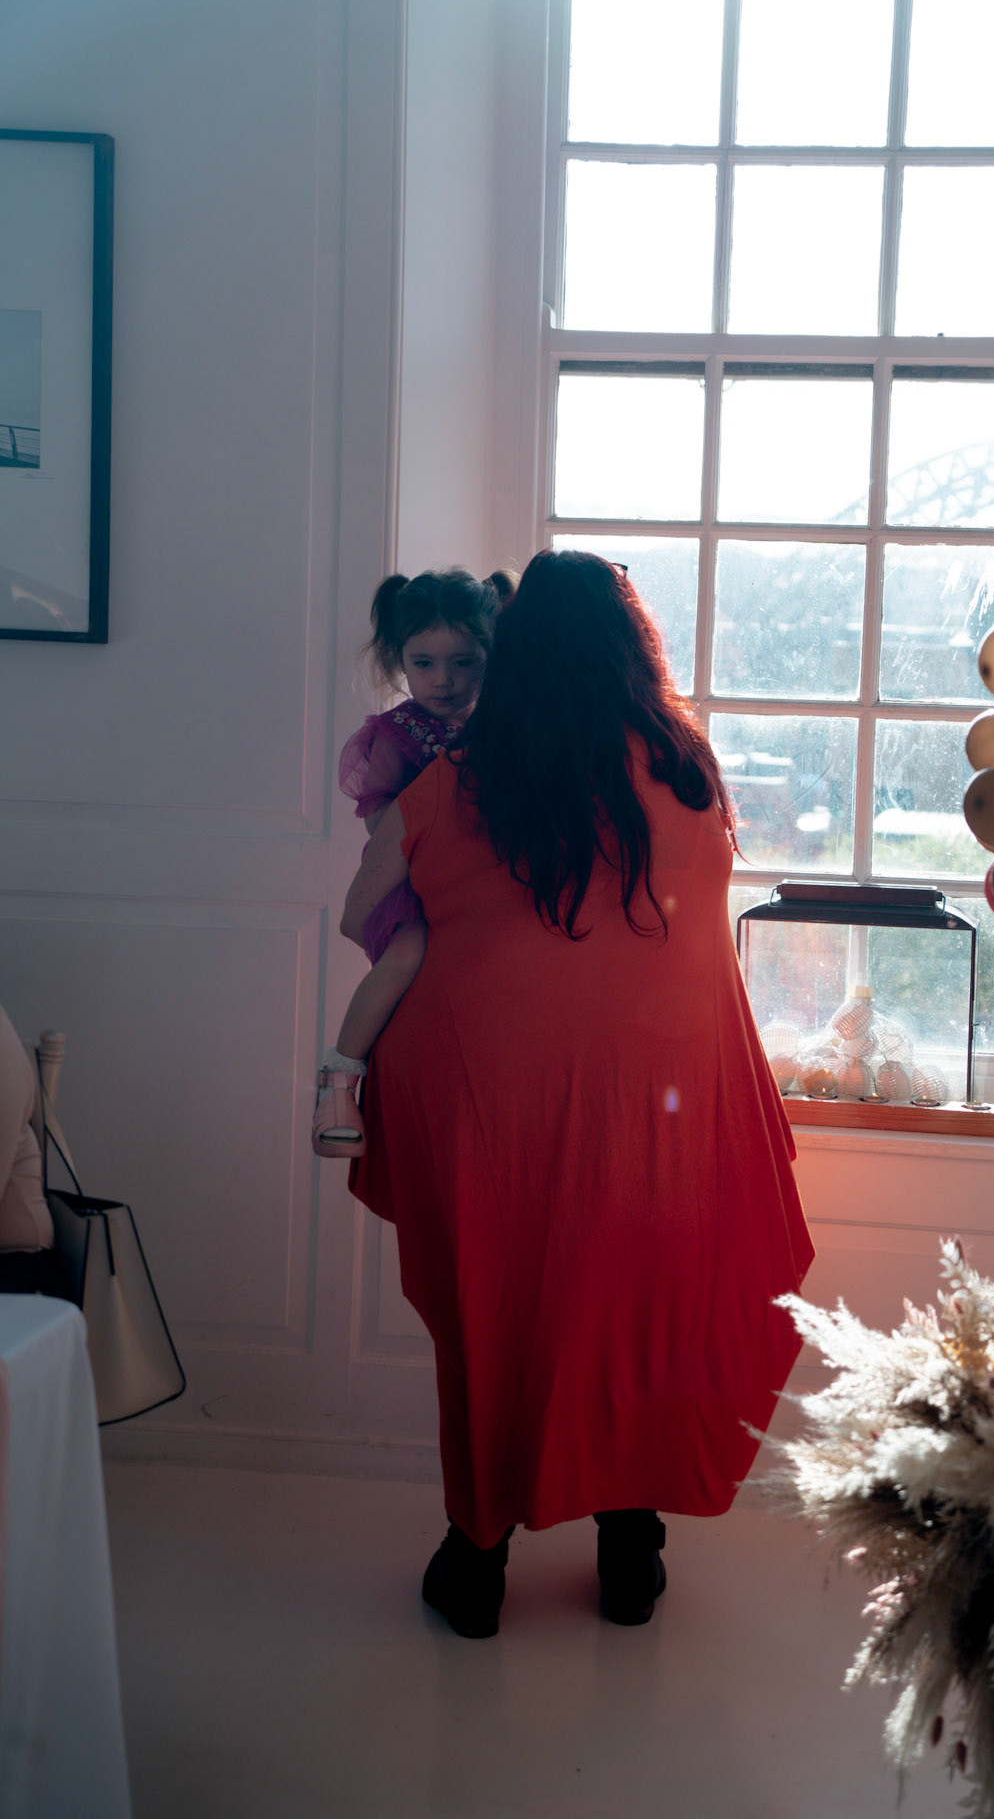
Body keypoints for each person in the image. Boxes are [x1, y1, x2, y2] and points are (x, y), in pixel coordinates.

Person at [341, 550, 815, 1635]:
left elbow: (366, 909)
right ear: (629, 648)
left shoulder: (456, 779)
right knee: (637, 1307)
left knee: (493, 1312)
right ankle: (630, 1549)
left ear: (512, 654)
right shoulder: (686, 768)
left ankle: (476, 1560)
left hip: (487, 1100)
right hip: (655, 1100)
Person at [313, 567, 516, 1154]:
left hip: (476, 883)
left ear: (491, 656)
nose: (443, 680)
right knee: (407, 954)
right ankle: (339, 1080)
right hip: (406, 884)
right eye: (423, 663)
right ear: (399, 658)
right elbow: (379, 818)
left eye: (463, 662)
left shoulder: (502, 729)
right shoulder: (397, 733)